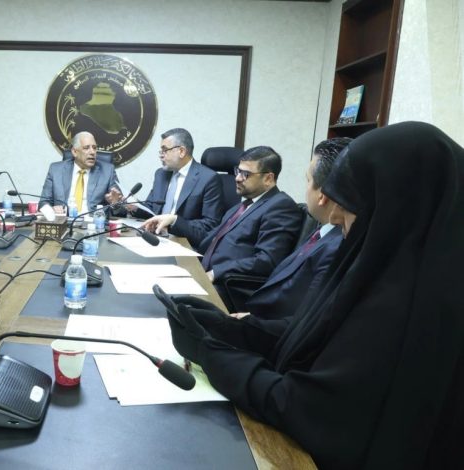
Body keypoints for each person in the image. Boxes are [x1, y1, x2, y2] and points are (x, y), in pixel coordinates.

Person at [160, 122, 464, 468]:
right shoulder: (381, 265)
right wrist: (226, 328)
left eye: (350, 204)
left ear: (397, 208)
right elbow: (312, 334)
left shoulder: (409, 308)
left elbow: (305, 408)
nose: (335, 215)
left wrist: (209, 353)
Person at [238, 137, 350, 319]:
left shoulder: (336, 247)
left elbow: (301, 322)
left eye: (308, 180)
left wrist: (243, 323)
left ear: (322, 195)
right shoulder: (322, 231)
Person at [196, 146, 302, 287]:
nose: (237, 178)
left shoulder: (281, 206)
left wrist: (216, 273)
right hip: (203, 271)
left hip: (228, 285)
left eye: (246, 174)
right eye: (238, 171)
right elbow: (210, 237)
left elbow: (267, 260)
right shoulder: (243, 205)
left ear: (268, 178)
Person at [137, 128, 225, 242]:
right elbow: (151, 208)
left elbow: (210, 225)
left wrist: (174, 221)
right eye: (161, 151)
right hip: (154, 237)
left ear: (182, 151)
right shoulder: (161, 174)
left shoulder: (208, 179)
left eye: (165, 150)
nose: (161, 155)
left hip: (183, 241)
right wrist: (131, 206)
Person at [39, 131, 122, 214]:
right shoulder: (56, 170)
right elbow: (43, 202)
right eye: (86, 148)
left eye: (94, 148)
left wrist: (115, 204)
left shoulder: (107, 171)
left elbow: (122, 210)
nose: (92, 152)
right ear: (74, 152)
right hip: (64, 219)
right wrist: (51, 209)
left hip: (93, 220)